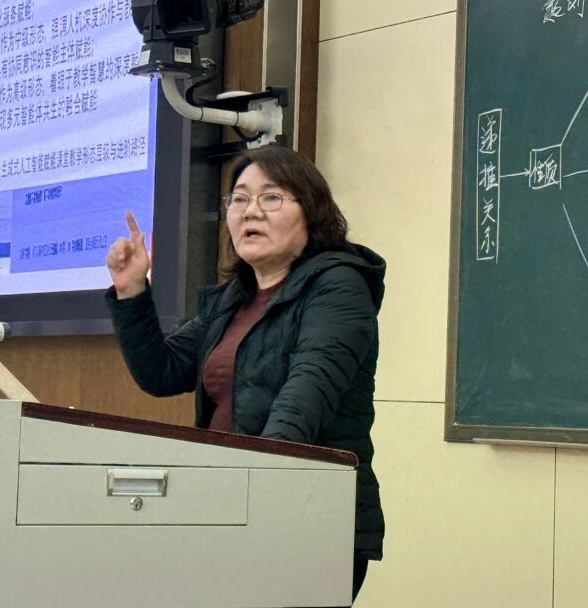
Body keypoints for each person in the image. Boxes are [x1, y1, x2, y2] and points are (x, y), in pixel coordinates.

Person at [105, 145, 385, 603]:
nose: (250, 210)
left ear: (311, 212)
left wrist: (251, 500)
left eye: (270, 197)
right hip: (229, 509)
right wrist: (132, 290)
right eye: (239, 198)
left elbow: (303, 400)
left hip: (305, 520)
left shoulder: (339, 286)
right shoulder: (232, 299)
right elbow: (161, 372)